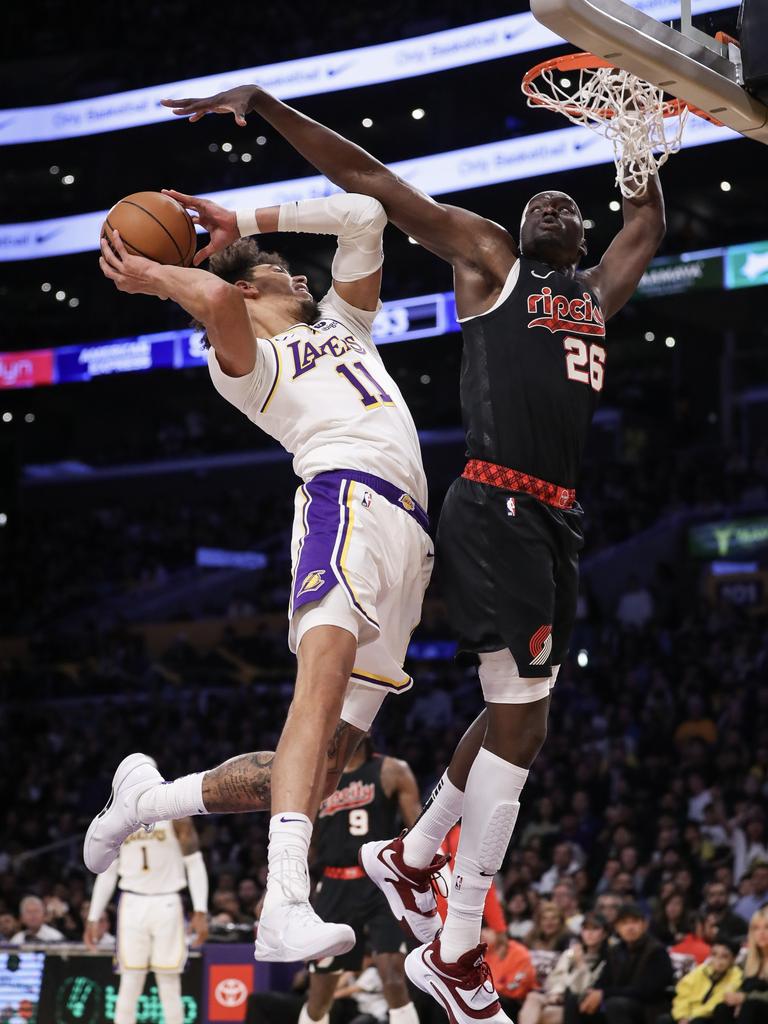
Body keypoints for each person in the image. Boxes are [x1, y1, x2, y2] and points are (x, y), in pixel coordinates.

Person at [159, 74, 665, 1024]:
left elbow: (645, 228)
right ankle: (456, 937)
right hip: (494, 503)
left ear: (584, 234)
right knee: (517, 722)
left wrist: (636, 139)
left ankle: (415, 854)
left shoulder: (595, 292)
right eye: (536, 199)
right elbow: (371, 186)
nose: (549, 203)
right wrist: (267, 110)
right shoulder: (491, 259)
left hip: (556, 515)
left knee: (527, 717)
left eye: (567, 202)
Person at [86, 178, 435, 963]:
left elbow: (363, 215)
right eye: (279, 266)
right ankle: (285, 902)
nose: (302, 273)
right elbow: (213, 303)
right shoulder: (245, 361)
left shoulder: (344, 321)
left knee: (328, 761)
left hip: (410, 535)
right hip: (343, 500)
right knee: (317, 687)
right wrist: (154, 276)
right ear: (248, 287)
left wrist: (242, 219)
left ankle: (149, 799)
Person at [299, 737, 424, 1024]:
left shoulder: (392, 770)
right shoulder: (317, 779)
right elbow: (307, 842)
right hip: (334, 885)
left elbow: (419, 833)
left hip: (380, 883)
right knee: (320, 994)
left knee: (393, 979)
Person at [85, 811, 209, 1024]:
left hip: (167, 901)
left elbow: (194, 862)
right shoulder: (118, 819)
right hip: (133, 903)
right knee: (130, 979)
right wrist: (93, 917)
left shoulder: (176, 815)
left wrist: (201, 910)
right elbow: (108, 872)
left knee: (169, 980)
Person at [566, 903, 673, 1024]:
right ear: (617, 928)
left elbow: (648, 991)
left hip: (648, 1009)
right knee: (574, 1000)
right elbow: (603, 982)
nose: (630, 927)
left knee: (615, 1005)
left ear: (644, 925)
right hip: (616, 1002)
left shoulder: (657, 951)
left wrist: (604, 993)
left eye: (634, 922)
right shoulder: (615, 951)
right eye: (624, 923)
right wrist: (593, 992)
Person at [519, 913, 609, 1024]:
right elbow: (555, 977)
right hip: (557, 997)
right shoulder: (570, 953)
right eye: (585, 929)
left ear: (604, 934)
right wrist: (556, 994)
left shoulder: (607, 959)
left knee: (545, 1014)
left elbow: (582, 989)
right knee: (532, 997)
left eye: (595, 929)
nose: (589, 933)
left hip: (578, 1005)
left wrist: (580, 964)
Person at [656, 935, 742, 1024]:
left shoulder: (736, 976)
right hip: (687, 1015)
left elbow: (717, 1002)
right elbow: (682, 995)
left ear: (733, 959)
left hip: (708, 1017)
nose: (718, 960)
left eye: (724, 956)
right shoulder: (701, 971)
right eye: (714, 954)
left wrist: (691, 1018)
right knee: (664, 1020)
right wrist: (682, 1017)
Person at [709, 908, 768, 1024]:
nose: (761, 933)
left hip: (760, 1008)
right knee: (722, 1008)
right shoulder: (748, 959)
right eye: (756, 928)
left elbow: (749, 997)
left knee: (750, 1006)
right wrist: (735, 997)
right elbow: (741, 986)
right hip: (750, 1007)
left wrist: (745, 998)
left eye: (767, 927)